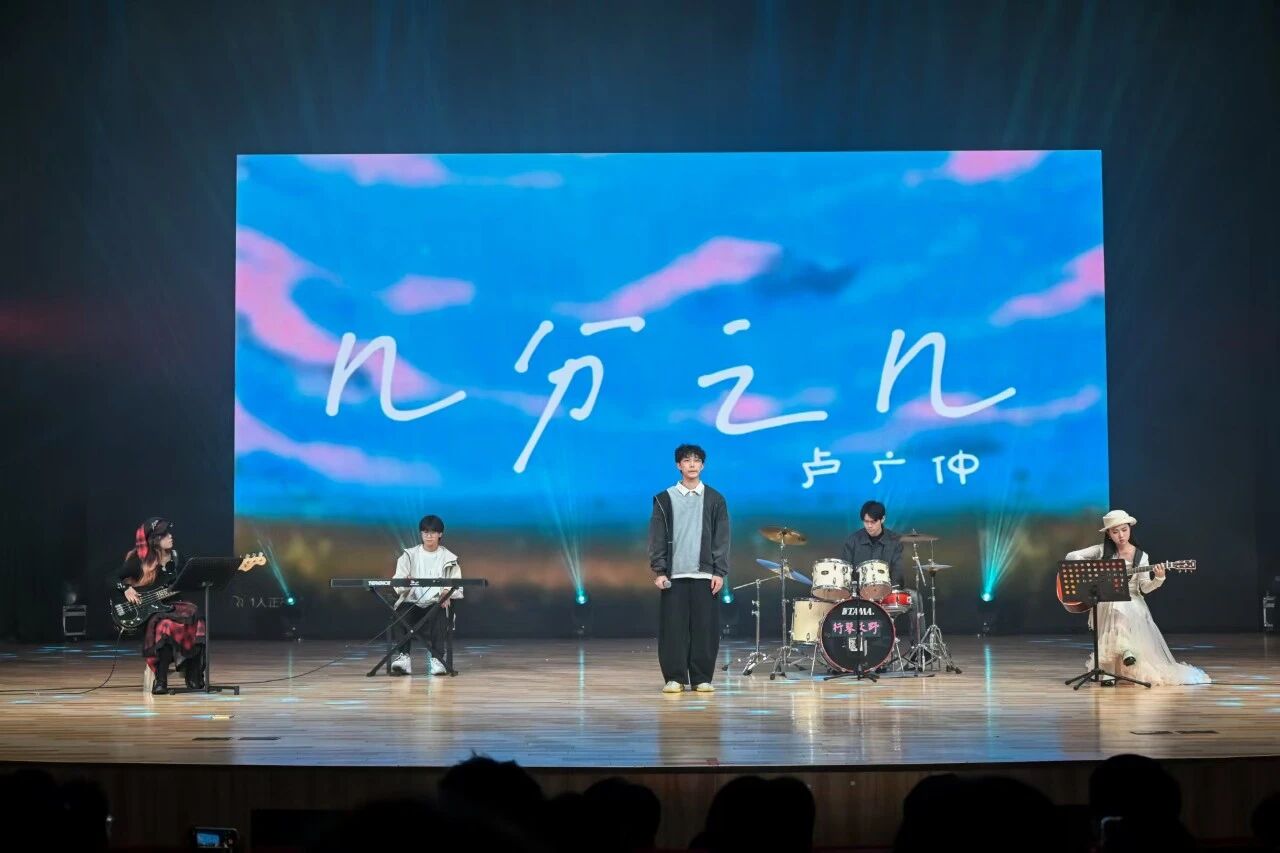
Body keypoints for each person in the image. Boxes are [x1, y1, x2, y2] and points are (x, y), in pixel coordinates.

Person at [1065, 510, 1209, 686]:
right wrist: (1094, 568)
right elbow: (1071, 556)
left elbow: (1145, 588)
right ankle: (1120, 659)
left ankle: (1118, 662)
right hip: (1107, 601)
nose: (1121, 535)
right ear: (1109, 534)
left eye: (1124, 530)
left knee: (1121, 609)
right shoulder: (1101, 550)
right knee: (1115, 608)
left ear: (1130, 529)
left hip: (1132, 600)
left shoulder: (1141, 556)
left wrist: (1159, 578)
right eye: (1115, 531)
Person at [648, 444, 729, 694]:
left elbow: (722, 537)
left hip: (705, 574)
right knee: (673, 629)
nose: (692, 464)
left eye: (696, 460)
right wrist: (660, 570)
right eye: (686, 460)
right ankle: (675, 678)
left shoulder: (715, 499)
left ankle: (702, 678)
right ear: (678, 465)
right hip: (674, 575)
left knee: (705, 629)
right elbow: (657, 536)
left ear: (702, 465)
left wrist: (719, 572)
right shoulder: (664, 499)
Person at [109, 517, 205, 693]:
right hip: (151, 612)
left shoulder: (177, 558)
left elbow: (189, 581)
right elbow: (111, 578)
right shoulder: (139, 560)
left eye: (169, 533)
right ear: (154, 540)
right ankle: (161, 680)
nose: (170, 536)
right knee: (164, 625)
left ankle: (193, 674)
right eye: (165, 534)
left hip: (174, 606)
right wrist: (126, 589)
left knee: (197, 618)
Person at [389, 514, 463, 676]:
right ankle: (403, 658)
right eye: (425, 532)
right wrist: (405, 583)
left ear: (440, 534)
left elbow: (458, 588)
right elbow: (397, 584)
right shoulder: (408, 555)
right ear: (421, 534)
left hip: (435, 603)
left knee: (439, 612)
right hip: (412, 602)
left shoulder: (450, 559)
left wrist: (447, 592)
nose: (429, 536)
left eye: (433, 532)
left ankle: (437, 659)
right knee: (400, 612)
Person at [841, 500, 920, 649]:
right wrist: (855, 590)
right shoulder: (853, 540)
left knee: (915, 598)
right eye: (866, 522)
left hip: (887, 591)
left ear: (882, 519)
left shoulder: (894, 540)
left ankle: (918, 649)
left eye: (873, 522)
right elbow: (845, 570)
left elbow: (898, 569)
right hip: (859, 593)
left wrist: (890, 588)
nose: (869, 526)